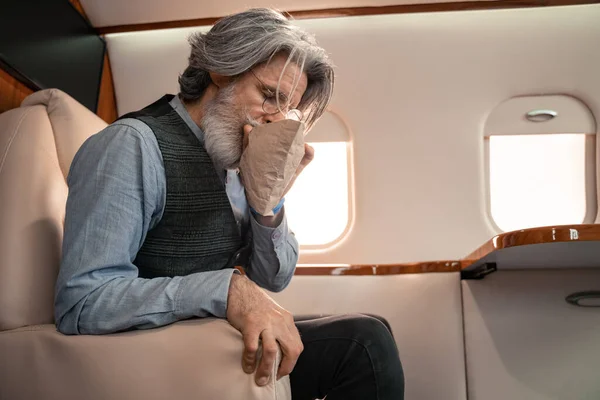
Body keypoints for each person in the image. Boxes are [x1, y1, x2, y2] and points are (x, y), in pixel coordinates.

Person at [54, 8, 404, 400]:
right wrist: (226, 290)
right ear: (221, 71)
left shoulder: (236, 158)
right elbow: (83, 303)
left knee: (375, 324)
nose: (275, 120)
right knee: (363, 346)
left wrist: (266, 202)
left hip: (208, 335)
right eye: (269, 96)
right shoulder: (131, 146)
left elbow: (274, 278)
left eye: (287, 109)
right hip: (158, 349)